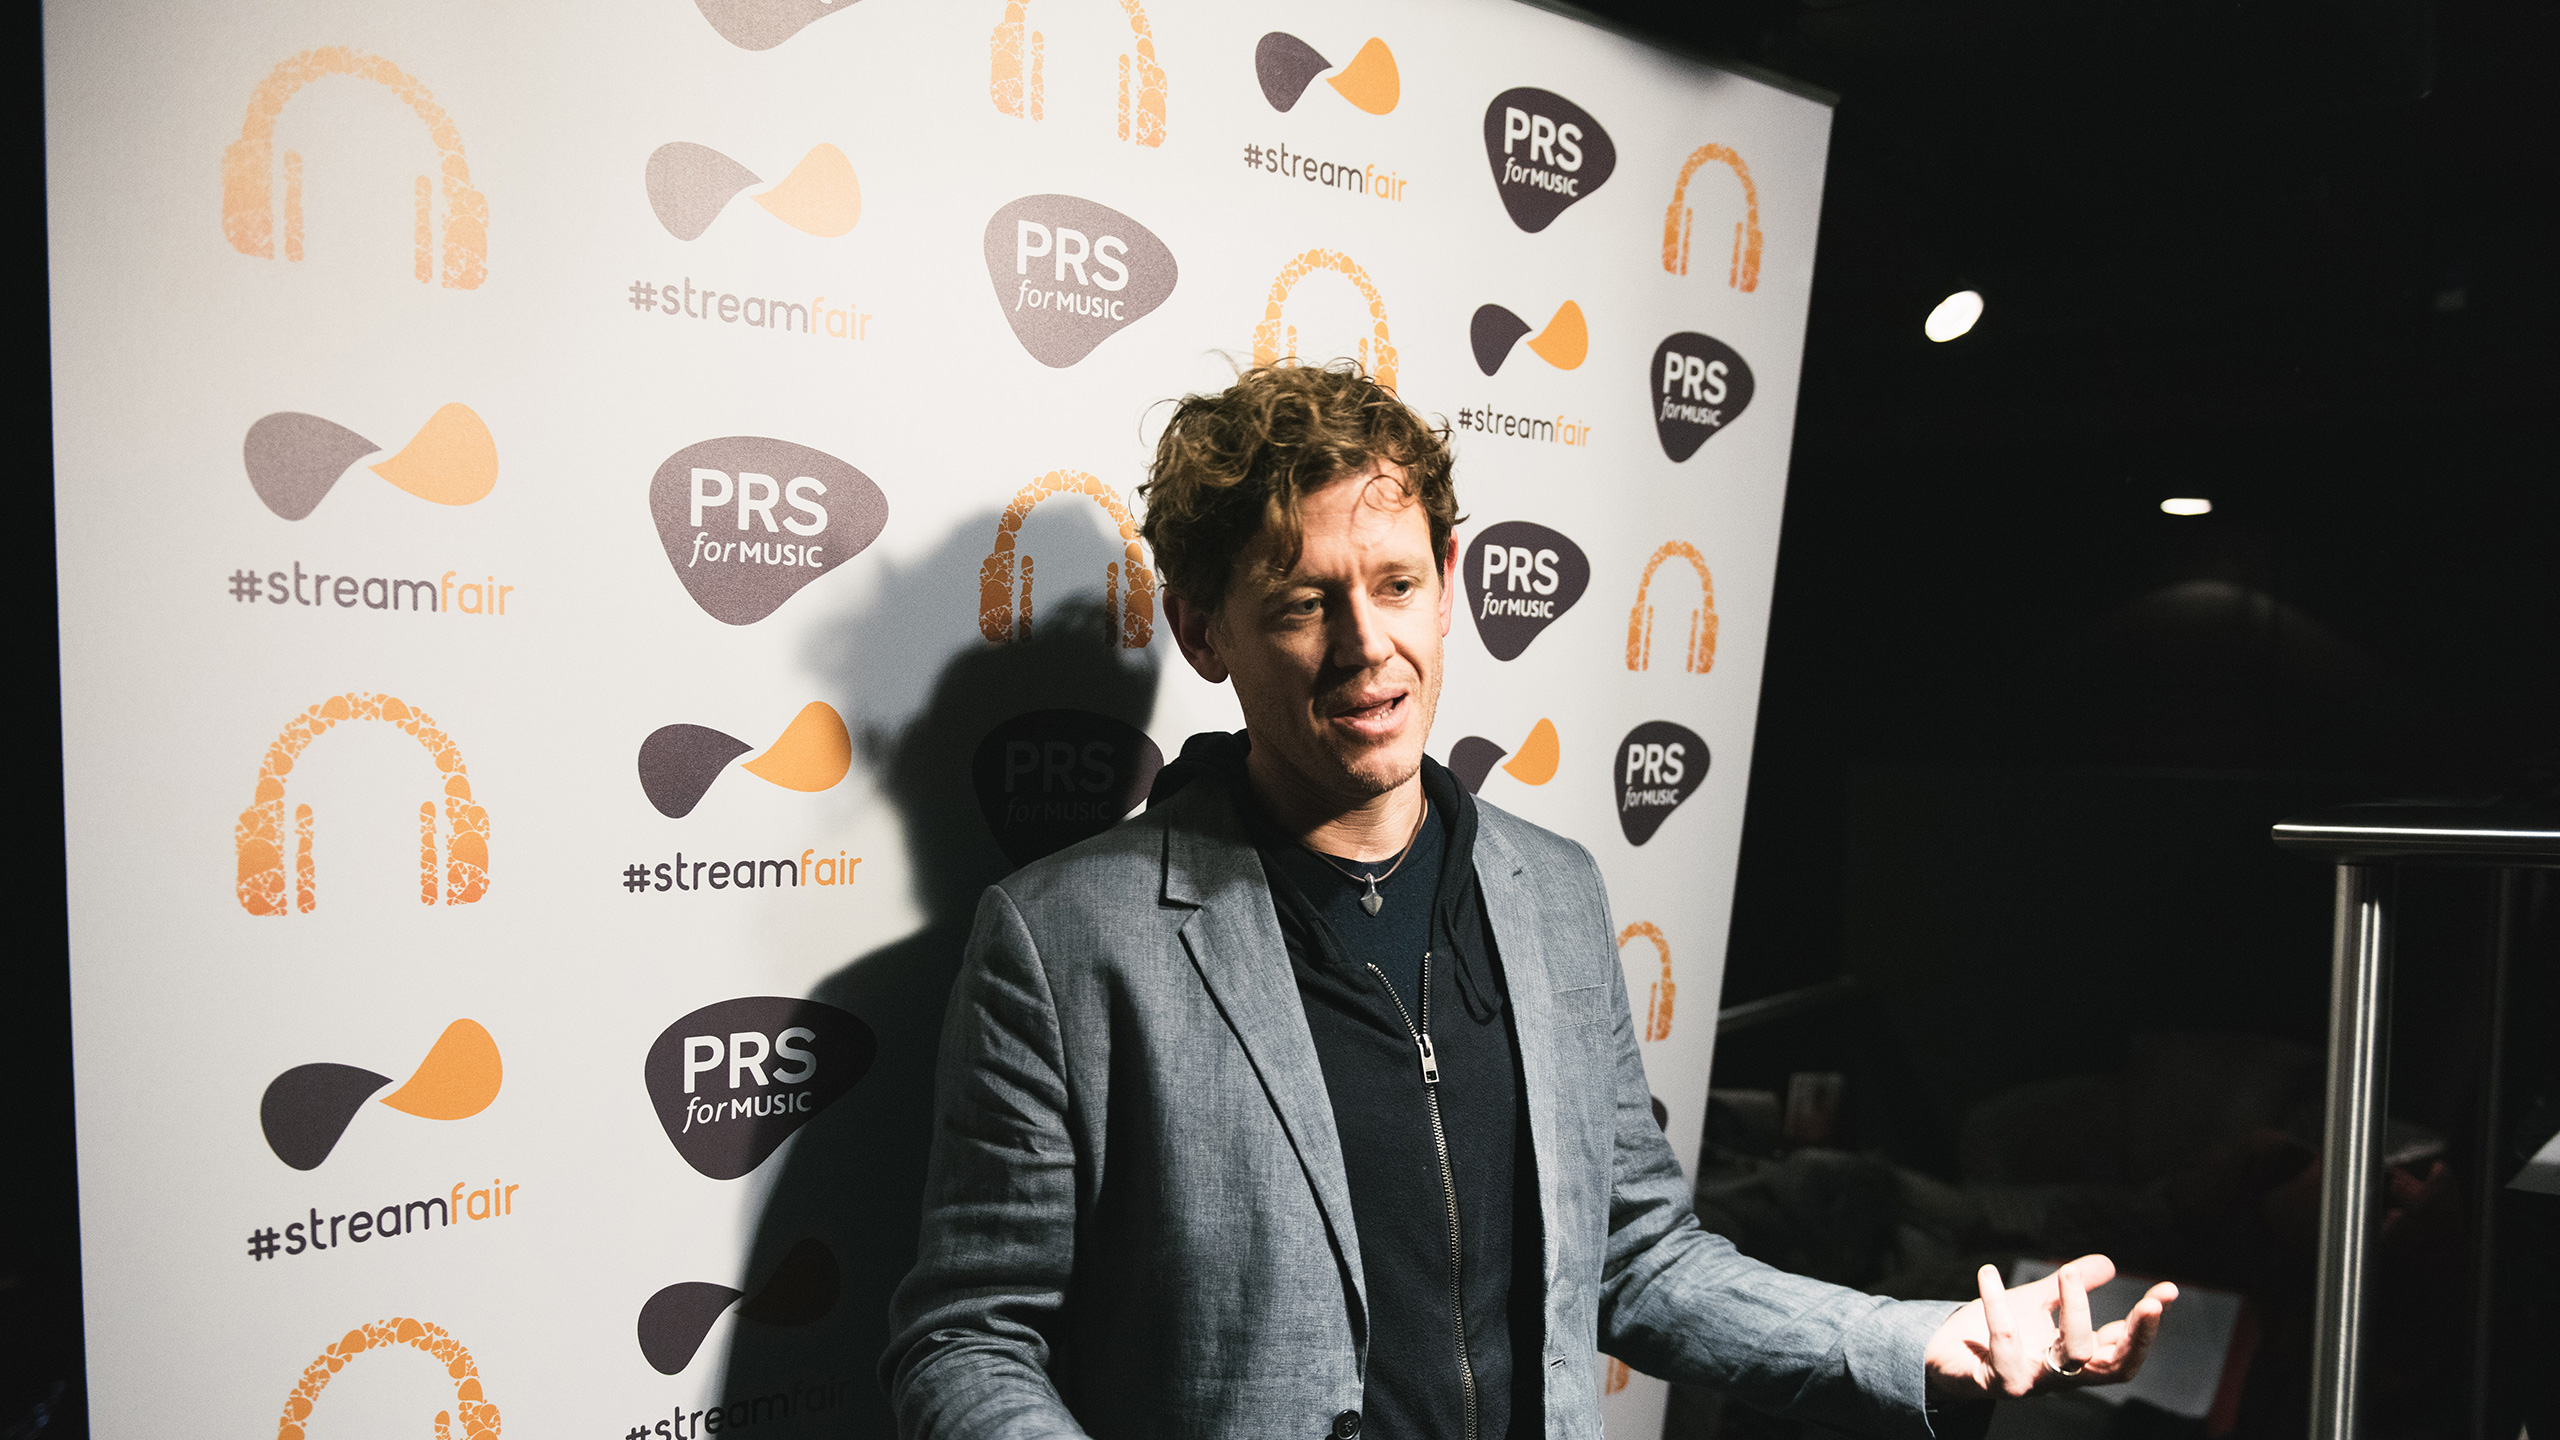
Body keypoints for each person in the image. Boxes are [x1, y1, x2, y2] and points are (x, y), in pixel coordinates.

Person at [882, 362, 2176, 1439]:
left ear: (1448, 582)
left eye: (1396, 585)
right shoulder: (1067, 940)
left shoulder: (1552, 892)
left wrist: (1926, 1342)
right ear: (1204, 631)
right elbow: (967, 1345)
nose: (1366, 645)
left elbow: (1640, 1260)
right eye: (1302, 604)